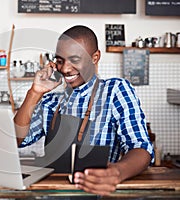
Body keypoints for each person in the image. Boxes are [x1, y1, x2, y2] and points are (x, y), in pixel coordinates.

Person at [14, 25, 154, 196]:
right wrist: (34, 92)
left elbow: (141, 148)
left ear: (95, 57)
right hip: (53, 194)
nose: (65, 69)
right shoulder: (51, 102)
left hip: (97, 194)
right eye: (60, 60)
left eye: (74, 59)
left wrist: (116, 172)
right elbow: (16, 139)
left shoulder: (114, 91)